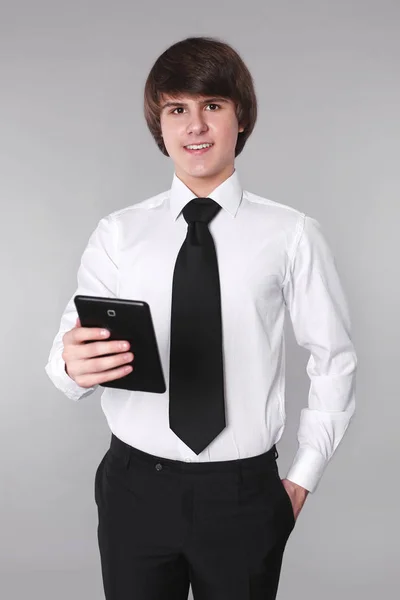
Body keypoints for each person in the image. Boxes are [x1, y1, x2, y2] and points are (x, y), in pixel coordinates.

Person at [45, 36, 357, 600]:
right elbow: (66, 361)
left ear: (240, 119)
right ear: (159, 127)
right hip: (135, 488)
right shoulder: (119, 234)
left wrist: (302, 477)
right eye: (177, 109)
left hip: (242, 495)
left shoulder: (292, 235)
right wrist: (72, 364)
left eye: (212, 105)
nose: (195, 126)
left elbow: (334, 358)